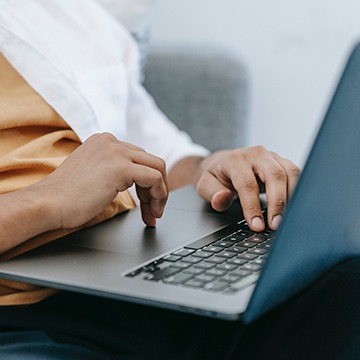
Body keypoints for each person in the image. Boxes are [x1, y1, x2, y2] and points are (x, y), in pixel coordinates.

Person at [0, 1, 359, 359]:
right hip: (26, 318)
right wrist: (48, 199)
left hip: (149, 287)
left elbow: (165, 159)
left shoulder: (70, 20)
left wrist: (219, 167)